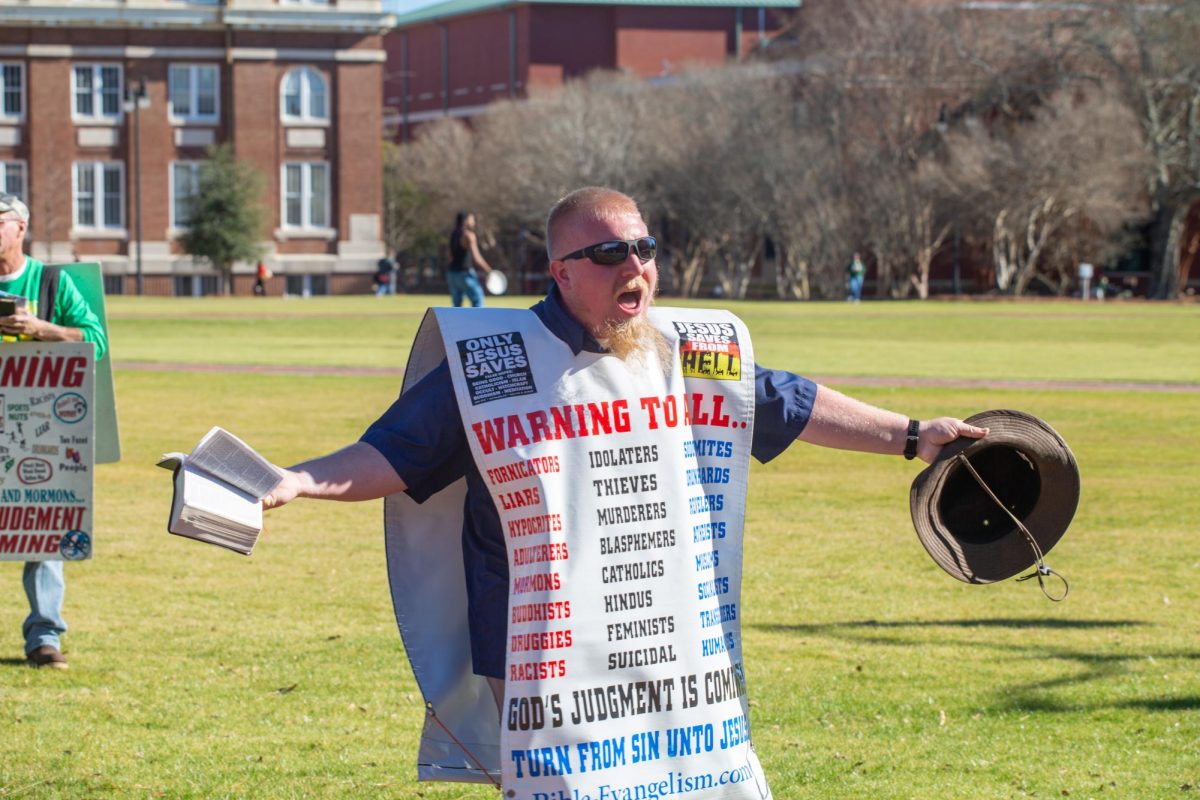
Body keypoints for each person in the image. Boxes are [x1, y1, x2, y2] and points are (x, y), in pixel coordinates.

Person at [258, 187, 986, 797]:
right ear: (561, 271)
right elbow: (398, 452)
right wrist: (298, 481)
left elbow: (783, 401)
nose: (634, 265)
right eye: (610, 253)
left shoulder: (687, 348)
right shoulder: (494, 362)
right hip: (539, 648)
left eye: (645, 248)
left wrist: (912, 433)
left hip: (668, 639)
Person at [0, 193, 108, 670]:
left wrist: (44, 329)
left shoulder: (50, 281)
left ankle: (44, 638)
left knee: (42, 530)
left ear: (19, 227)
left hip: (42, 429)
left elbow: (96, 341)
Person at [446, 211, 492, 307]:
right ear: (466, 220)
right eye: (472, 219)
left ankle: (454, 322)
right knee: (478, 300)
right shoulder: (469, 235)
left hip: (452, 274)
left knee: (456, 306)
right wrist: (488, 270)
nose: (474, 222)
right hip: (465, 274)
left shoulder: (453, 234)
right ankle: (477, 322)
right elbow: (477, 258)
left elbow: (449, 256)